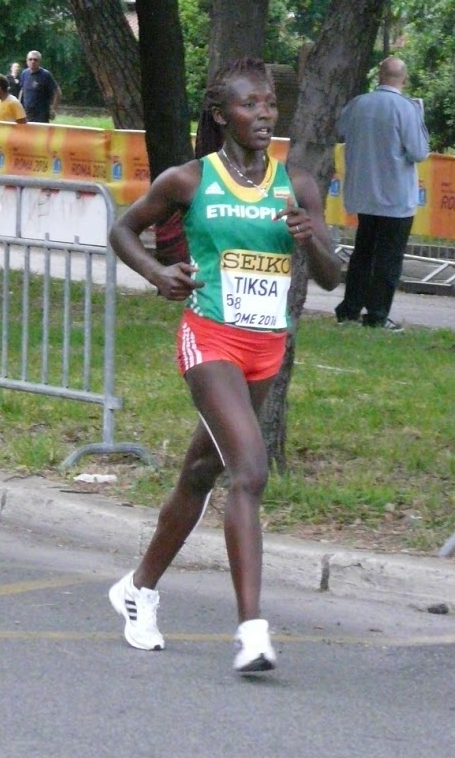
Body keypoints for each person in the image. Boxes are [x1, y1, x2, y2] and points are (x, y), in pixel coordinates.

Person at [108, 58, 342, 676]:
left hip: (266, 347)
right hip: (209, 338)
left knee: (199, 472)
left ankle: (138, 588)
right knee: (249, 471)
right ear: (221, 115)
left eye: (270, 105)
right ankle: (252, 630)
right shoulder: (189, 180)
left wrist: (311, 238)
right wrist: (158, 273)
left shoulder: (298, 184)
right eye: (250, 105)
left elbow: (330, 277)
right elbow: (123, 229)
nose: (264, 115)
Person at [334, 56, 430, 332]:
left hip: (363, 193)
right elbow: (418, 152)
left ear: (379, 76)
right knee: (389, 258)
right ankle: (377, 314)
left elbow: (341, 131)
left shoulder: (358, 104)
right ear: (404, 79)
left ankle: (350, 308)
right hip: (395, 196)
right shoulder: (407, 108)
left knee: (362, 253)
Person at [19, 50, 62, 123]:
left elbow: (57, 92)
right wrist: (18, 106)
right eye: (30, 59)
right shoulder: (24, 73)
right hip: (26, 113)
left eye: (35, 60)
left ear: (40, 62)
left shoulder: (46, 75)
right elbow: (22, 90)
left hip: (41, 115)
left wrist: (53, 109)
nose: (33, 61)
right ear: (27, 61)